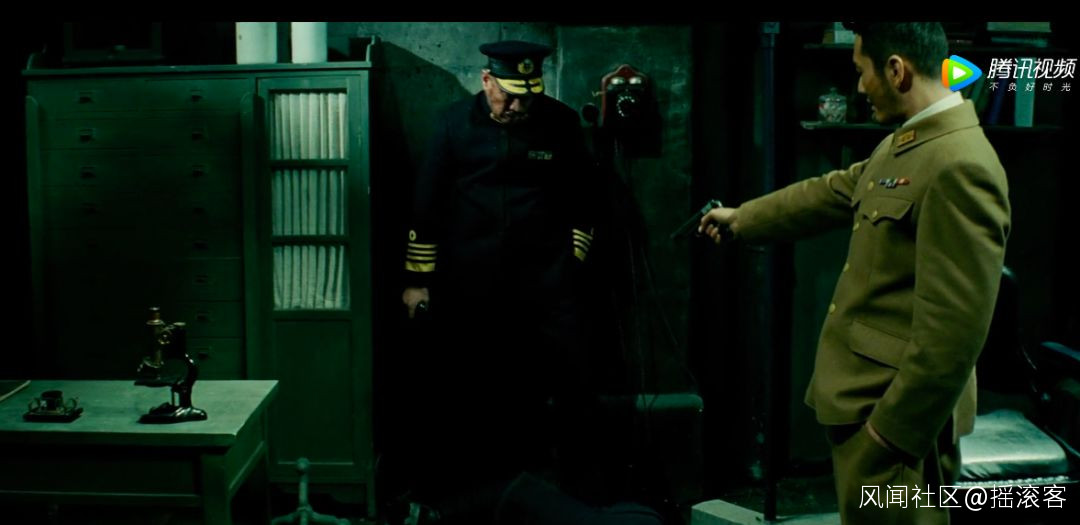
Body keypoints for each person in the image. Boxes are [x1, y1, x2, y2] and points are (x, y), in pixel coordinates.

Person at [700, 22, 1010, 524]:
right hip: (865, 407)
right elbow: (832, 191)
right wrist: (743, 219)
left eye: (862, 72)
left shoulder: (959, 164)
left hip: (893, 429)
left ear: (897, 71)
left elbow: (953, 335)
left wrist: (889, 435)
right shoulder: (912, 143)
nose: (860, 86)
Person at [396, 39, 608, 524]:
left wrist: (572, 261)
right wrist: (417, 281)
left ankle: (576, 496)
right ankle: (464, 496)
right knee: (471, 386)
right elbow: (427, 204)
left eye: (528, 96)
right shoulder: (454, 123)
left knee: (571, 383)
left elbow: (585, 198)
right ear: (486, 79)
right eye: (508, 96)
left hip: (546, 281)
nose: (518, 107)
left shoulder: (559, 122)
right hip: (471, 281)